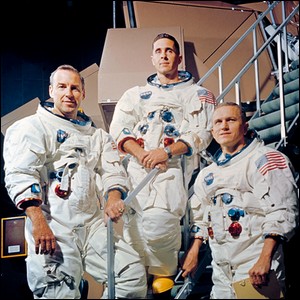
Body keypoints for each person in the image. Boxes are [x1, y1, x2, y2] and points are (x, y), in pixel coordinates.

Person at [2, 64, 147, 299]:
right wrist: (39, 223)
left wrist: (113, 198)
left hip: (91, 226)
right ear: (51, 90)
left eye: (75, 88)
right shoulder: (31, 127)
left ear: (83, 94)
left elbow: (113, 171)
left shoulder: (97, 136)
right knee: (59, 293)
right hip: (53, 225)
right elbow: (21, 174)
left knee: (131, 276)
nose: (69, 93)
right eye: (62, 87)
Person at [109, 33, 216, 297]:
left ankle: (164, 281)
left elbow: (202, 133)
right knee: (133, 236)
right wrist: (142, 152)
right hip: (136, 168)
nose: (164, 55)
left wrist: (165, 152)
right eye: (158, 51)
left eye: (169, 51)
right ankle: (141, 283)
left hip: (172, 170)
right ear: (152, 58)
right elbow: (118, 129)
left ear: (178, 58)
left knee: (160, 227)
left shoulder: (199, 94)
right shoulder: (135, 94)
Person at [181, 102, 299, 299]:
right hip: (222, 272)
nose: (224, 126)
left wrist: (265, 259)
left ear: (245, 127)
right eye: (218, 122)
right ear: (212, 130)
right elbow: (201, 218)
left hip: (255, 264)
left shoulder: (265, 159)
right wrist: (193, 251)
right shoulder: (207, 174)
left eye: (231, 120)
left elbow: (282, 211)